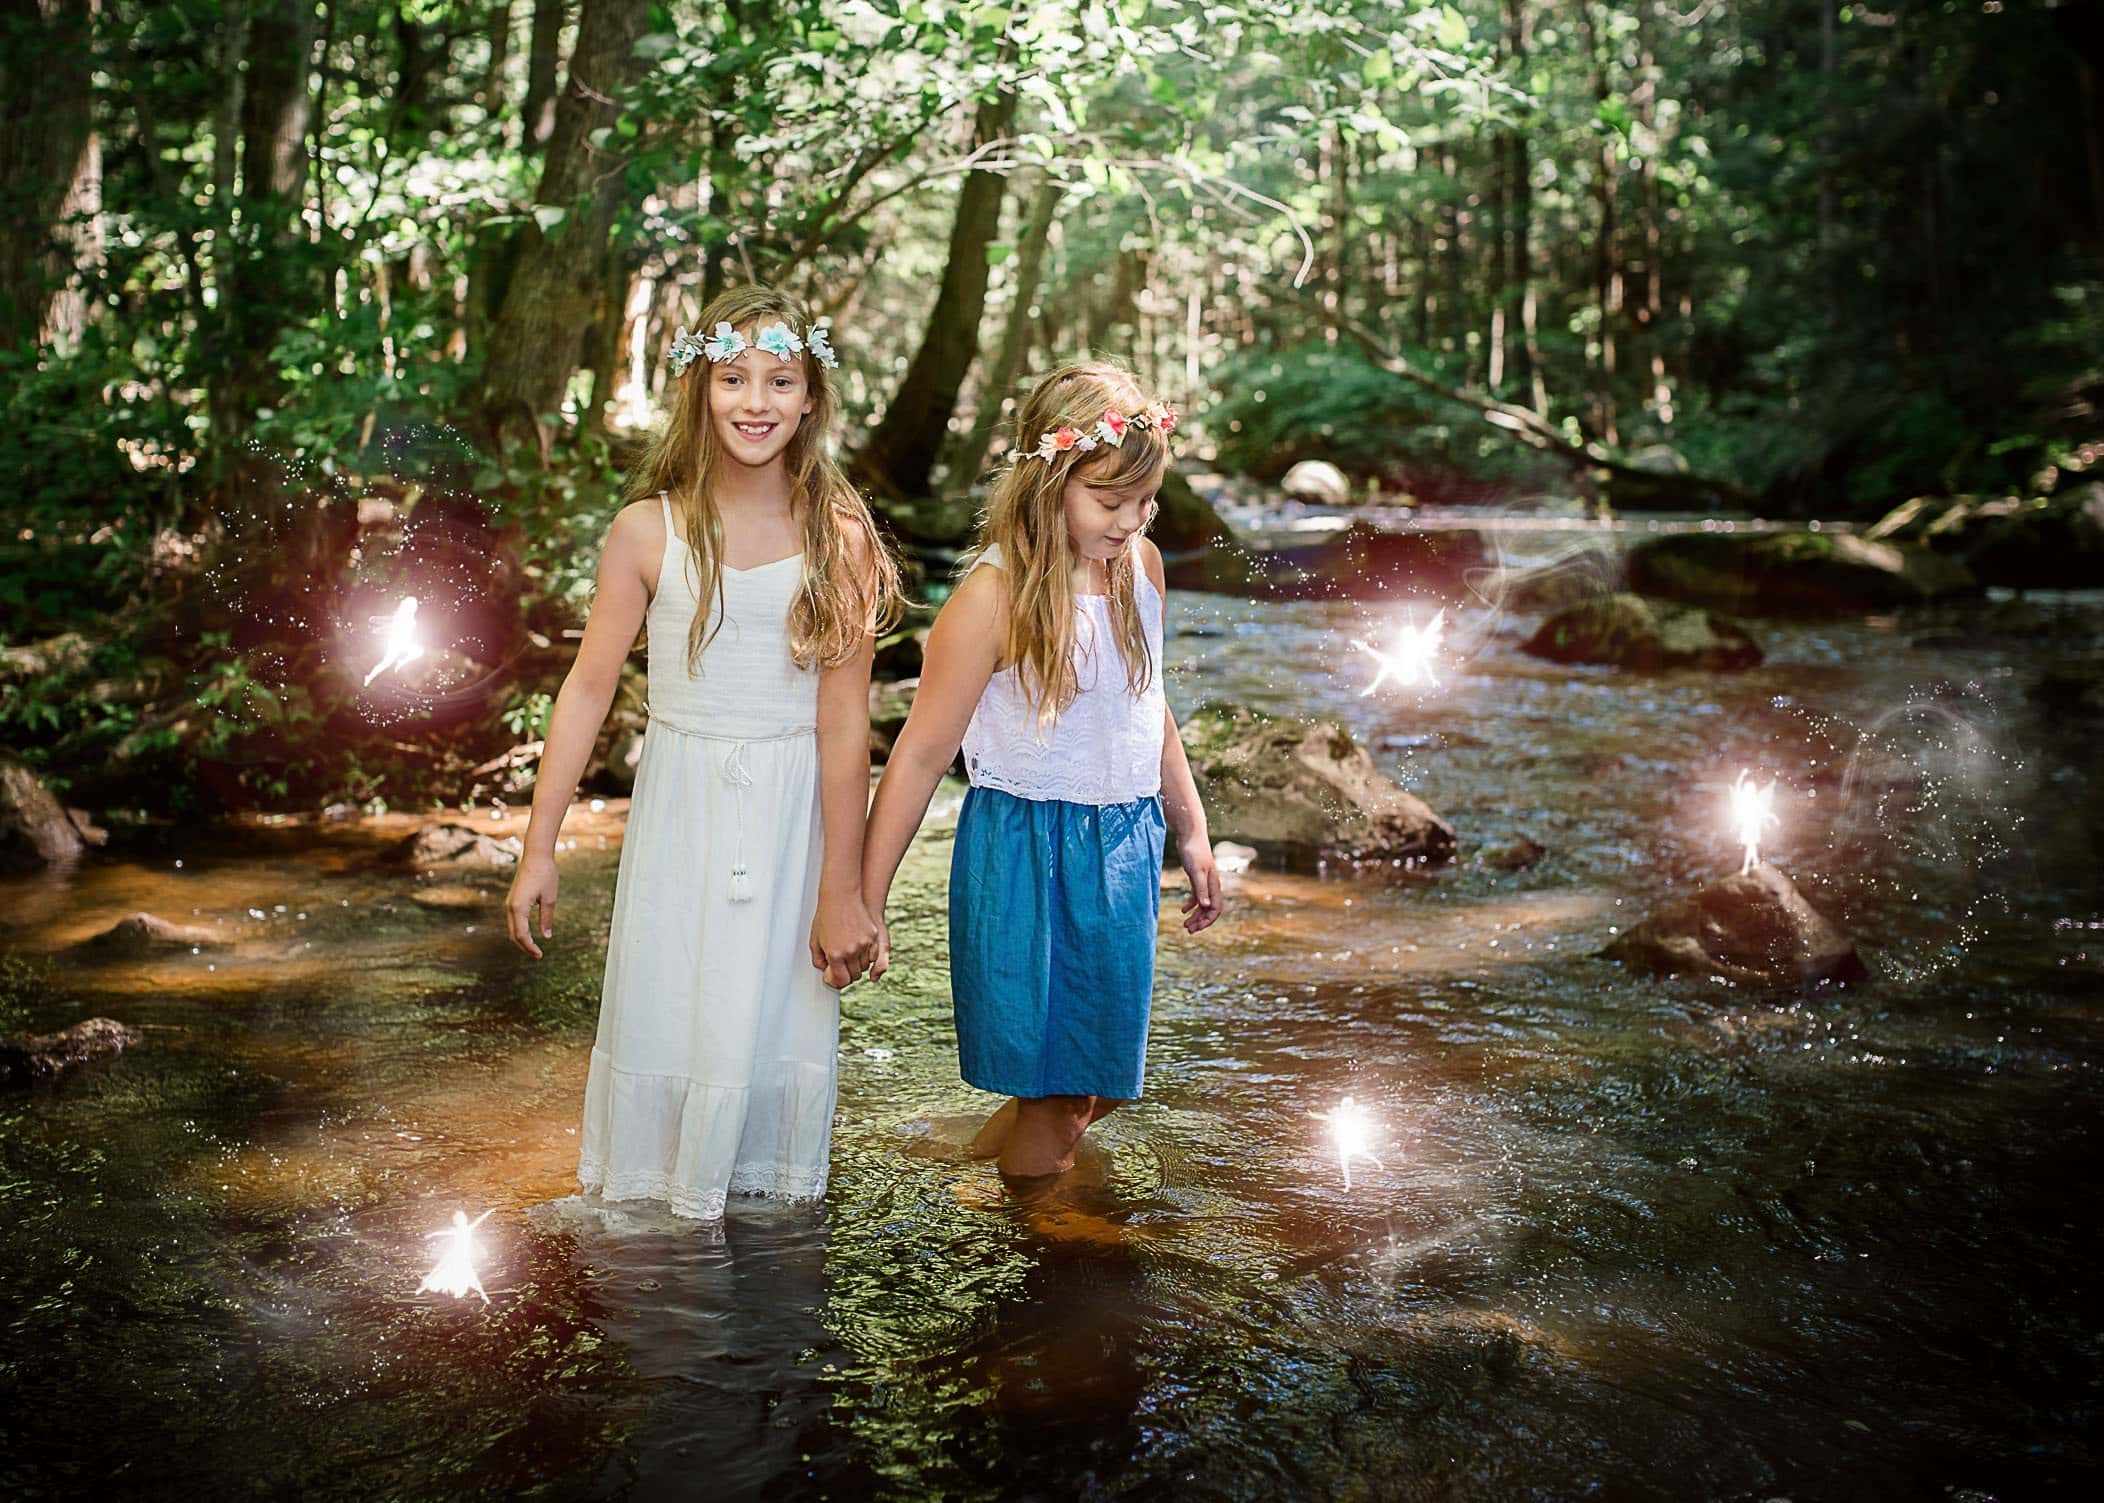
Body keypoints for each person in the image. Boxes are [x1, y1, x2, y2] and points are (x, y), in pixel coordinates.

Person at [504, 284, 902, 1220]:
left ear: (811, 399)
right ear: (700, 387)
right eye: (733, 377)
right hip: (681, 814)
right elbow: (588, 688)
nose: (755, 401)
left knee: (765, 1027)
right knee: (672, 1010)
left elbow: (846, 725)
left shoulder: (838, 538)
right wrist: (537, 845)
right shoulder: (650, 530)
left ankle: (757, 1241)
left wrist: (843, 890)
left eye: (780, 379)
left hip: (788, 823)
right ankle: (656, 1229)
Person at [859, 361, 1223, 1180]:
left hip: (1122, 848)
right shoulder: (994, 598)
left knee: (1096, 1084)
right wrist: (866, 898)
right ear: (1046, 482)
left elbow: (1146, 704)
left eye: (1146, 502)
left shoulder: (1142, 570)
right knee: (1061, 1095)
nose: (1132, 521)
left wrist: (1192, 830)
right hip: (1027, 850)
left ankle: (968, 1164)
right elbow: (919, 753)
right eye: (1109, 501)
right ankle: (1030, 1256)